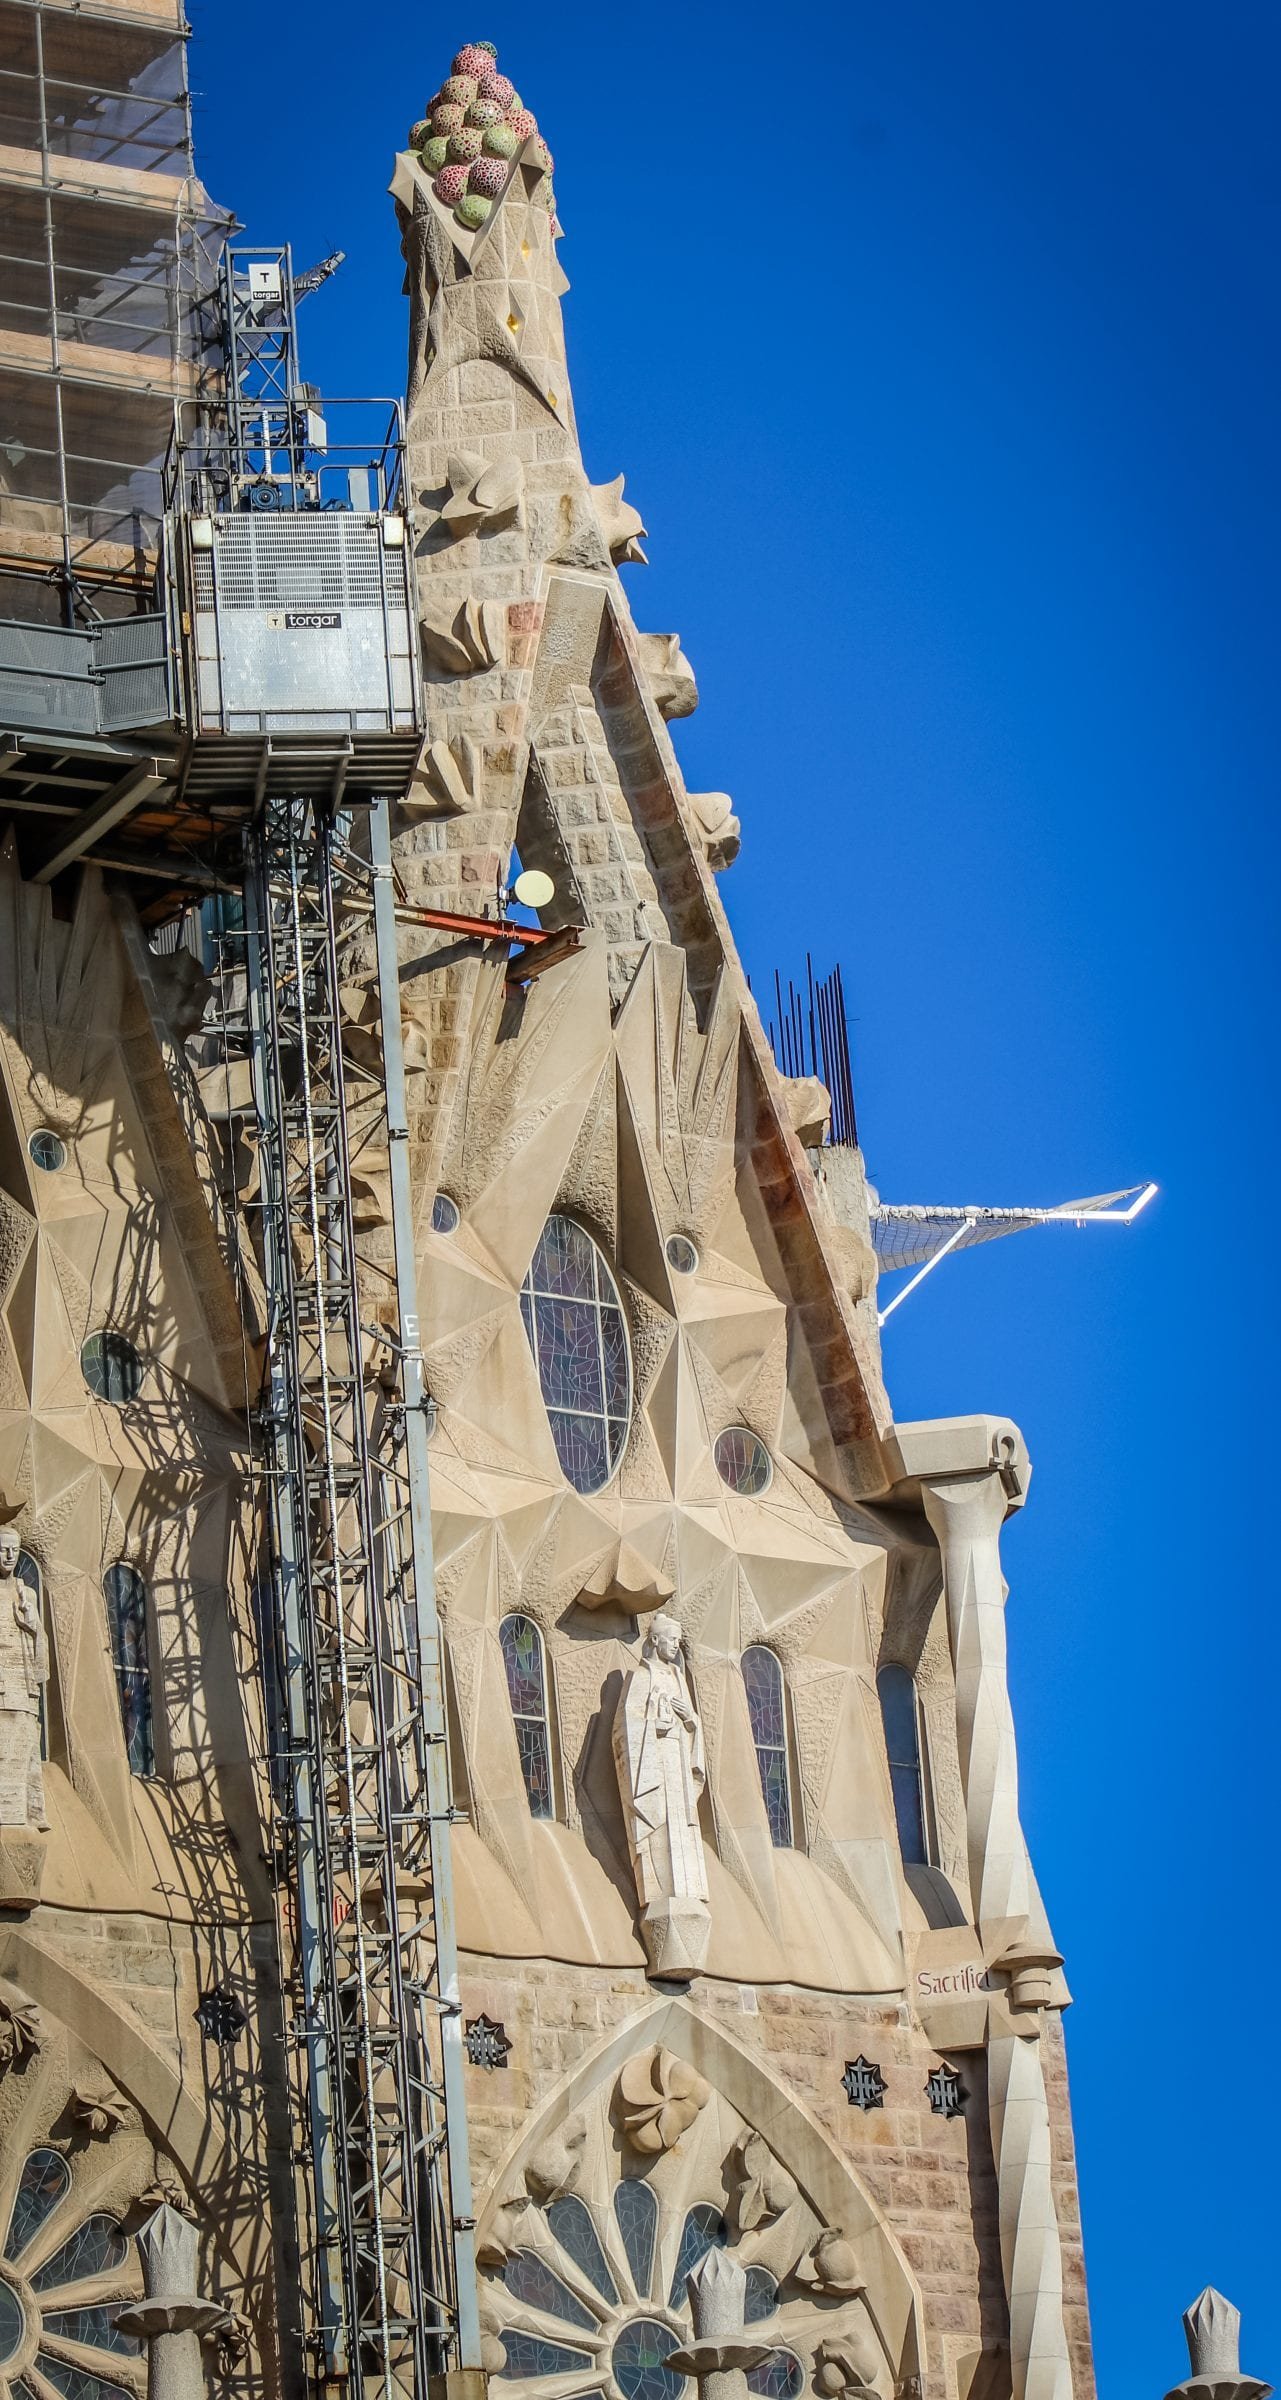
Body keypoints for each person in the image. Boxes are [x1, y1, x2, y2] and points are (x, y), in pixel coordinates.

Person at [613, 1611, 707, 1912]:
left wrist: (690, 1719)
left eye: (678, 1640)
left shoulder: (678, 1678)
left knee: (683, 1824)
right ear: (654, 1640)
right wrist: (655, 1726)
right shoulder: (641, 1678)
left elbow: (693, 1724)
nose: (676, 1645)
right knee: (661, 1825)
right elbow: (622, 1730)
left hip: (679, 1763)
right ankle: (661, 1892)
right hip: (655, 1767)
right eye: (671, 1639)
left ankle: (689, 1893)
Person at [0, 1525, 49, 1831]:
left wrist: (32, 1625)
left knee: (21, 1755)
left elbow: (41, 1653)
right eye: (3, 1549)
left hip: (21, 1689)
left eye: (15, 1550)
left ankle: (19, 1818)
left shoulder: (25, 1593)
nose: (9, 1556)